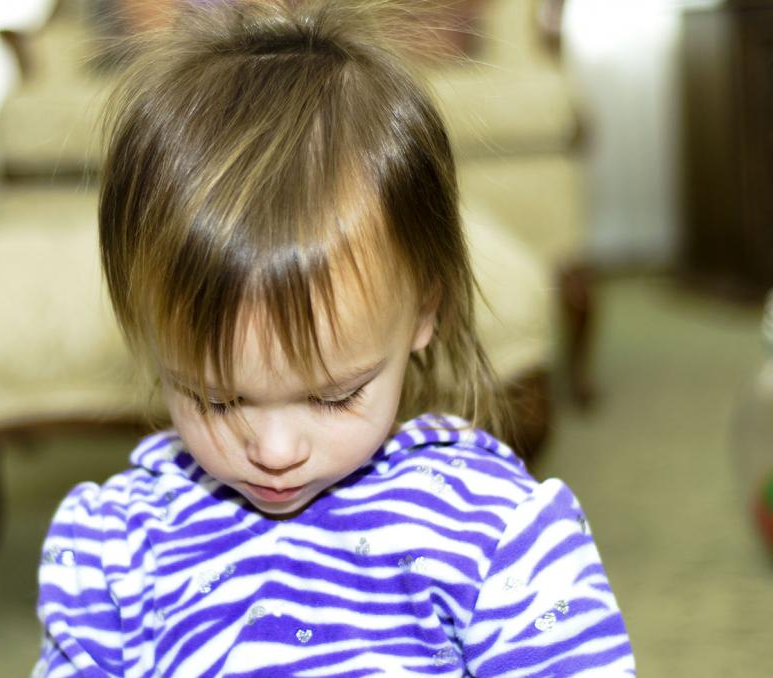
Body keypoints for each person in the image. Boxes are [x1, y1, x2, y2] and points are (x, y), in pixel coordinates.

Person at [34, 1, 635, 675]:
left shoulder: (493, 531)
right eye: (216, 400)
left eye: (334, 396)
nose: (275, 452)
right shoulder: (113, 548)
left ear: (424, 309)